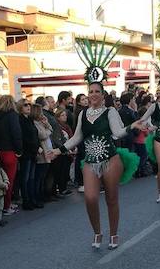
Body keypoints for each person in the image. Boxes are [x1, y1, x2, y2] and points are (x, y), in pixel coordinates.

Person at [47, 38, 137, 249]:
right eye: (90, 91)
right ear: (87, 95)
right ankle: (97, 232)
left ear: (103, 94)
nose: (93, 95)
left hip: (110, 159)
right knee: (90, 198)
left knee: (112, 199)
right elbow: (76, 138)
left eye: (97, 91)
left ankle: (113, 234)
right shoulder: (82, 114)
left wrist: (133, 126)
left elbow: (117, 133)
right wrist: (57, 151)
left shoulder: (111, 111)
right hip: (89, 160)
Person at [0, 95, 22, 214]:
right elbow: (16, 133)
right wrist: (19, 151)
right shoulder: (12, 115)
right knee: (8, 180)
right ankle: (6, 206)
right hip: (9, 151)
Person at [32, 103, 54, 204]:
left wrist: (46, 124)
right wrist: (48, 130)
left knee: (44, 175)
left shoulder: (41, 122)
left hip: (48, 150)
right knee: (39, 176)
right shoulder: (35, 123)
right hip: (42, 153)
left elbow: (50, 129)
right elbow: (43, 135)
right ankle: (38, 195)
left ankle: (44, 194)